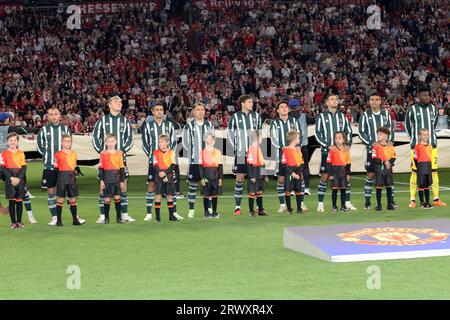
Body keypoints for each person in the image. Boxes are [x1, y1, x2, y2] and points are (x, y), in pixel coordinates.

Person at [37, 106, 84, 226]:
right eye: (51, 114)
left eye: (56, 114)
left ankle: (75, 216)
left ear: (59, 115)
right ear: (48, 116)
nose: (53, 116)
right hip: (50, 166)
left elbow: (69, 144)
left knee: (69, 192)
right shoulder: (43, 130)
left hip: (65, 168)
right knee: (51, 192)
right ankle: (54, 217)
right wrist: (50, 157)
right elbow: (40, 147)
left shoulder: (65, 129)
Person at [92, 96, 135, 223]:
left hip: (120, 159)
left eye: (120, 102)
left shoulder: (125, 121)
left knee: (123, 186)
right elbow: (95, 138)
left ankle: (124, 214)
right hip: (106, 160)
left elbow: (130, 138)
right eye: (116, 101)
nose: (119, 103)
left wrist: (123, 150)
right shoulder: (102, 121)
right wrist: (102, 151)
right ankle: (102, 215)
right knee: (103, 186)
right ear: (109, 104)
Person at [405, 86, 446, 208]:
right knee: (415, 172)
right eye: (424, 95)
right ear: (418, 96)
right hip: (417, 147)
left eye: (428, 95)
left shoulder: (433, 109)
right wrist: (414, 140)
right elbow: (408, 126)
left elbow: (434, 125)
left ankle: (436, 199)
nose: (427, 97)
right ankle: (412, 200)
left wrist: (431, 139)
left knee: (433, 172)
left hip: (431, 147)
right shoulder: (412, 110)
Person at [314, 94, 356, 212]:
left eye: (336, 99)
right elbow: (318, 134)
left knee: (345, 178)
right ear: (327, 103)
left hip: (342, 154)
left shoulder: (343, 117)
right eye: (331, 99)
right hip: (327, 152)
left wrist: (348, 145)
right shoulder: (321, 117)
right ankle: (320, 204)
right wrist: (328, 145)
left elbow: (348, 132)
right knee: (325, 177)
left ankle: (347, 203)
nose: (334, 101)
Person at [142, 103, 183, 221]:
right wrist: (151, 155)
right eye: (157, 110)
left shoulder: (169, 125)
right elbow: (145, 143)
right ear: (153, 112)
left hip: (168, 163)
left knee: (171, 186)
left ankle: (174, 213)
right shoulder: (148, 126)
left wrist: (171, 157)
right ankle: (149, 213)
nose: (159, 112)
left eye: (161, 110)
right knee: (151, 185)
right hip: (154, 161)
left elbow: (174, 142)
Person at [358, 93, 396, 210]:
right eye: (372, 99)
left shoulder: (386, 114)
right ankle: (367, 203)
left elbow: (391, 129)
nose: (374, 101)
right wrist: (371, 143)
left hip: (386, 150)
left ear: (380, 101)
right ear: (369, 102)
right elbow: (361, 132)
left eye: (377, 99)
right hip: (371, 150)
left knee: (389, 174)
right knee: (370, 175)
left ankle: (391, 202)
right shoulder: (365, 115)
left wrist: (390, 142)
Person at [227, 95, 262, 216]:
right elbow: (230, 135)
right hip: (241, 153)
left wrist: (257, 145)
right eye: (249, 102)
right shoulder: (235, 117)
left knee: (256, 179)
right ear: (242, 103)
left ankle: (258, 207)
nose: (252, 104)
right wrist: (236, 148)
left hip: (254, 153)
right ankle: (237, 207)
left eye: (252, 102)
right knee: (240, 178)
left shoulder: (256, 116)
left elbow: (259, 133)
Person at [270, 101, 304, 214]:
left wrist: (298, 146)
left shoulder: (294, 121)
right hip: (282, 153)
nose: (284, 109)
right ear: (278, 110)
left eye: (286, 107)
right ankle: (282, 205)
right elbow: (273, 138)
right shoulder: (274, 123)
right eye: (281, 107)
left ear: (288, 109)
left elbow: (300, 134)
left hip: (294, 153)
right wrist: (281, 147)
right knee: (281, 179)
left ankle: (301, 203)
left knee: (299, 177)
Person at [182, 102, 214, 218]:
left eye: (202, 109)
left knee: (208, 185)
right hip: (194, 161)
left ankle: (209, 208)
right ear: (194, 112)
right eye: (198, 110)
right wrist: (193, 155)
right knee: (193, 186)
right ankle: (191, 210)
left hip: (207, 161)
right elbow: (185, 143)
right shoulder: (188, 126)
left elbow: (212, 142)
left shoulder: (209, 125)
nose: (200, 112)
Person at [53, 134, 83, 226]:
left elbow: (74, 166)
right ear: (62, 143)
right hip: (62, 177)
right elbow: (56, 168)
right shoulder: (58, 154)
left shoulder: (74, 153)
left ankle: (75, 219)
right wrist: (60, 176)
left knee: (72, 198)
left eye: (69, 141)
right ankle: (59, 220)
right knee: (60, 199)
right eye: (65, 141)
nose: (68, 143)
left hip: (71, 177)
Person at [0, 133, 27, 228]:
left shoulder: (21, 153)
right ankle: (13, 222)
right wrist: (11, 178)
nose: (13, 142)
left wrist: (19, 178)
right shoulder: (3, 153)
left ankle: (19, 221)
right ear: (7, 142)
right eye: (10, 140)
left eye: (15, 140)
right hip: (9, 179)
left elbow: (24, 167)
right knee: (12, 201)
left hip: (20, 180)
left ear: (18, 142)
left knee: (19, 201)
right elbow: (2, 168)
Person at [99, 133, 126, 224]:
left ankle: (119, 218)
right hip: (107, 178)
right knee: (107, 199)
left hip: (117, 178)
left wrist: (122, 181)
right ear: (105, 143)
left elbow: (122, 168)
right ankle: (106, 218)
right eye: (108, 141)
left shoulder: (119, 153)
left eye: (112, 141)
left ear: (116, 142)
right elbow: (101, 168)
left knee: (117, 197)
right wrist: (101, 180)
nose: (110, 143)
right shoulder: (103, 154)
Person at [152, 134, 178, 222]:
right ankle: (157, 217)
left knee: (169, 196)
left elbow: (173, 164)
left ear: (167, 142)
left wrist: (165, 172)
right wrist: (160, 172)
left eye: (162, 142)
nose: (160, 143)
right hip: (158, 176)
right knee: (158, 196)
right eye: (159, 142)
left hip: (169, 176)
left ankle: (171, 216)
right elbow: (155, 164)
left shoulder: (171, 152)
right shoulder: (155, 152)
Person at [288, 99, 310, 195]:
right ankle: (306, 188)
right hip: (303, 145)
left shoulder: (287, 117)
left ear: (289, 107)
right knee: (305, 167)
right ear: (298, 106)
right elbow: (314, 120)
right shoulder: (304, 116)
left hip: (291, 146)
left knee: (292, 167)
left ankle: (293, 188)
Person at [371, 127, 396, 211]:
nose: (378, 136)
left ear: (386, 136)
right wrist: (383, 161)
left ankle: (389, 204)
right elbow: (374, 158)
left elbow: (393, 156)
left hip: (388, 168)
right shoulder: (375, 145)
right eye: (378, 134)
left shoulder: (390, 144)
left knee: (389, 186)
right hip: (379, 169)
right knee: (379, 187)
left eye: (380, 134)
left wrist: (389, 162)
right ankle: (379, 205)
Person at [199, 131, 222, 219]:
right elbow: (200, 166)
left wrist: (220, 178)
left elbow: (220, 166)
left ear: (214, 140)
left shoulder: (218, 152)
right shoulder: (203, 152)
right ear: (205, 140)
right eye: (208, 138)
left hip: (215, 175)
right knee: (206, 194)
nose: (210, 140)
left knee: (214, 194)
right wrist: (202, 178)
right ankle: (206, 212)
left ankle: (214, 212)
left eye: (212, 139)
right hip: (206, 174)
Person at [326, 131, 351, 212]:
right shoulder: (332, 150)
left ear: (343, 140)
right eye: (336, 138)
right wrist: (330, 174)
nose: (337, 140)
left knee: (343, 189)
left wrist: (348, 173)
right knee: (335, 189)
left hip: (343, 171)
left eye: (339, 138)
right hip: (334, 171)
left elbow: (348, 163)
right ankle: (334, 206)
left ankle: (343, 206)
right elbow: (328, 163)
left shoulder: (346, 149)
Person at [281, 130, 305, 214]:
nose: (299, 139)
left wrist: (299, 172)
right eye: (298, 138)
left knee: (298, 189)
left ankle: (299, 208)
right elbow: (284, 164)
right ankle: (289, 208)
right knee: (288, 190)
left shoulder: (298, 150)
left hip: (297, 170)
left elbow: (301, 163)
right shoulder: (286, 150)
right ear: (294, 139)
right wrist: (292, 173)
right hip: (289, 171)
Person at [246, 130, 268, 217]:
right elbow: (248, 164)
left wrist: (265, 174)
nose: (262, 138)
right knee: (252, 193)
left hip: (260, 173)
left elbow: (262, 163)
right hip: (254, 173)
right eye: (261, 137)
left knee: (259, 192)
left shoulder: (259, 148)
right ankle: (251, 211)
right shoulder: (251, 149)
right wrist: (251, 176)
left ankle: (260, 210)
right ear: (257, 138)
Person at [413, 128, 434, 209]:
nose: (426, 136)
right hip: (421, 166)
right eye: (424, 135)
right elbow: (415, 158)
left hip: (428, 166)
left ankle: (428, 202)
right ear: (420, 136)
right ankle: (422, 202)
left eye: (427, 135)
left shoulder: (430, 146)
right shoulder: (417, 147)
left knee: (427, 185)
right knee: (421, 185)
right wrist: (419, 167)